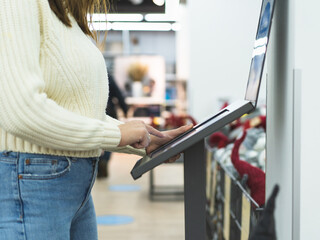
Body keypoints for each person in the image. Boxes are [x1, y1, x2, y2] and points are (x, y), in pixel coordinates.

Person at [0, 1, 191, 239]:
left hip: (74, 185)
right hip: (33, 182)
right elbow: (21, 110)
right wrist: (118, 135)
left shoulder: (65, 15)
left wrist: (145, 138)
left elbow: (78, 112)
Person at [97, 75, 129, 178]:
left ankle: (99, 161)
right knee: (110, 139)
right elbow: (118, 94)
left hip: (94, 111)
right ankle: (105, 160)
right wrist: (125, 110)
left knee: (97, 139)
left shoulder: (89, 73)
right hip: (109, 110)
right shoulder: (107, 76)